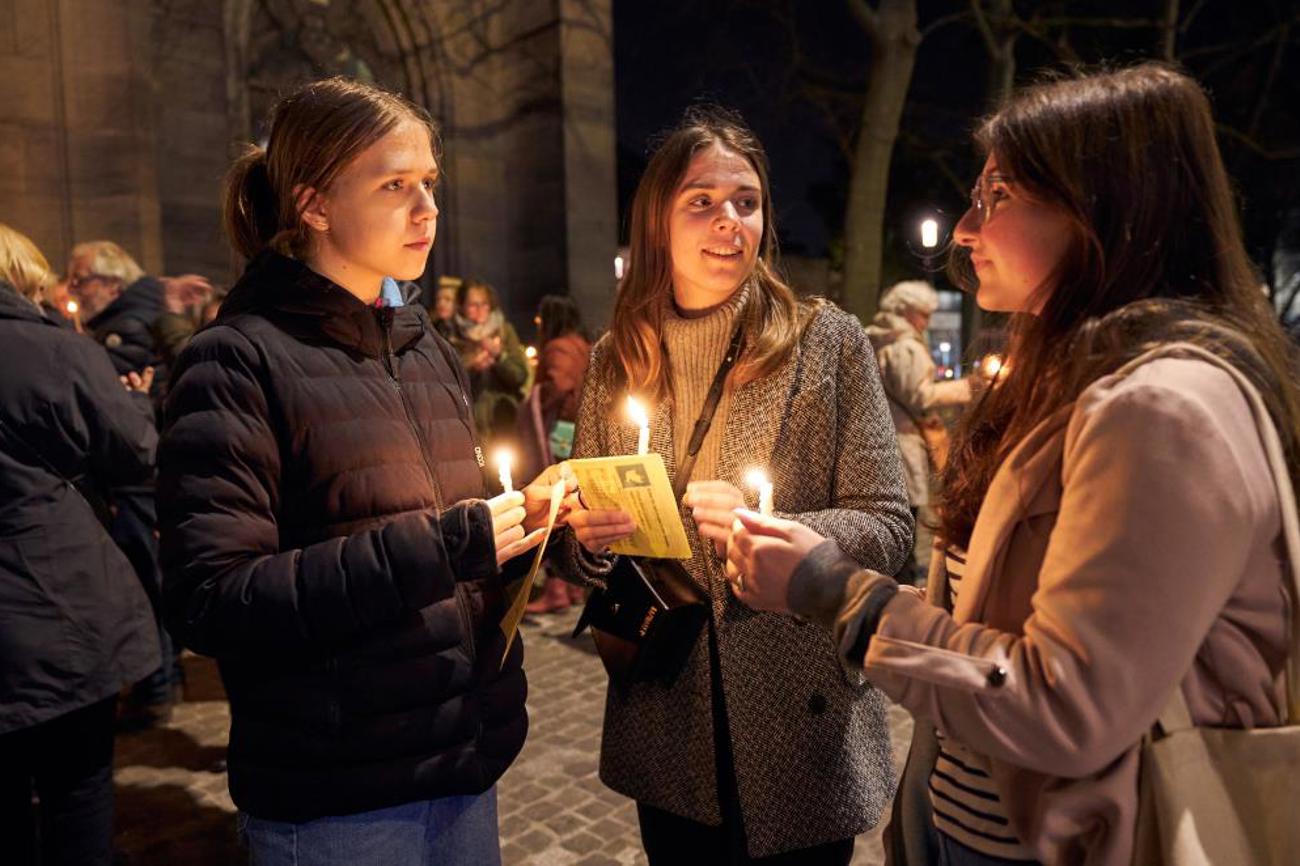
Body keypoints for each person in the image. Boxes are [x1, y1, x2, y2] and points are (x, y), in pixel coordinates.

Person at [724, 63, 1300, 866]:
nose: (965, 227)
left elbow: (1063, 705)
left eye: (996, 195)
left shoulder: (1162, 410)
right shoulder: (1064, 377)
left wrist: (838, 593)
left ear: (1100, 205)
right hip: (976, 821)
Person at [157, 76, 568, 866]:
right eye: (394, 184)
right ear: (314, 205)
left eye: (430, 184)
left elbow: (470, 542)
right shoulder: (236, 361)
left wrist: (545, 530)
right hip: (341, 797)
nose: (428, 209)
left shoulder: (427, 351)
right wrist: (446, 544)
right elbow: (212, 599)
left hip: (462, 759)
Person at [562, 107, 913, 864]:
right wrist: (584, 540)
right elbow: (583, 552)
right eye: (702, 202)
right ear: (658, 222)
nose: (730, 221)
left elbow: (889, 528)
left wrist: (778, 528)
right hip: (668, 710)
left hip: (798, 716)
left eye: (746, 202)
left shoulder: (827, 343)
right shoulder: (614, 360)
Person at [0, 223, 160, 866]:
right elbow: (135, 453)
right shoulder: (57, 350)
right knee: (78, 792)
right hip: (54, 598)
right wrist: (140, 406)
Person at [866, 280, 975, 583]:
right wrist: (967, 387)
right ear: (909, 312)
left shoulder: (878, 340)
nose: (926, 322)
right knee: (905, 526)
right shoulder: (904, 347)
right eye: (924, 315)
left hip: (882, 441)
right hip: (901, 444)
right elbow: (920, 396)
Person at [520, 293, 591, 614]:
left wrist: (535, 396)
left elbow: (559, 387)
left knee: (554, 505)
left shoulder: (558, 347)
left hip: (560, 431)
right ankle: (573, 588)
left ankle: (556, 589)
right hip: (578, 427)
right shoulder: (581, 343)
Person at [452, 278, 529, 441]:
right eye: (473, 305)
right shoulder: (452, 335)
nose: (480, 310)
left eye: (484, 304)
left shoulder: (504, 331)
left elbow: (520, 376)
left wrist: (500, 357)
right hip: (469, 424)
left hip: (505, 419)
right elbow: (447, 383)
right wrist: (472, 367)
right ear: (461, 307)